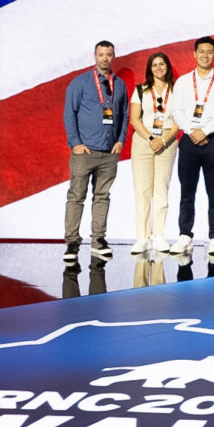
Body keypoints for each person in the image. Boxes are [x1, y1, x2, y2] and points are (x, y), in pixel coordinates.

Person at [168, 36, 214, 257]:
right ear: (194, 54)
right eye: (201, 51)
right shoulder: (183, 82)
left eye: (209, 52)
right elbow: (177, 110)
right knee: (187, 191)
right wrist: (192, 132)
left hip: (213, 139)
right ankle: (185, 235)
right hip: (188, 139)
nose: (205, 55)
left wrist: (204, 131)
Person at [62, 40, 128, 261]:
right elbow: (69, 114)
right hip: (85, 152)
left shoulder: (119, 84)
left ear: (113, 56)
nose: (105, 59)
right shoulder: (80, 83)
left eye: (109, 55)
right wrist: (76, 144)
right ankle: (72, 242)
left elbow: (125, 114)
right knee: (76, 197)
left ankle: (98, 239)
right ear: (94, 56)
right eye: (101, 55)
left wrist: (120, 140)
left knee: (102, 196)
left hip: (109, 153)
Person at [128, 52, 178, 255]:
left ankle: (159, 235)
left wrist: (164, 140)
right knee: (142, 190)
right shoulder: (141, 90)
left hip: (167, 141)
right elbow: (134, 119)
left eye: (162, 64)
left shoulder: (176, 90)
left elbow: (179, 120)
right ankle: (142, 237)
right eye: (154, 65)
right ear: (149, 68)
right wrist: (151, 139)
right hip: (143, 141)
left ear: (168, 66)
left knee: (161, 190)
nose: (158, 68)